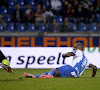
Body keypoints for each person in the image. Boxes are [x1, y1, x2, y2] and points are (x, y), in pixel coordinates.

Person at [23, 43, 97, 78]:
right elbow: (95, 67)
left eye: (75, 47)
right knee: (54, 75)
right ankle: (34, 76)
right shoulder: (86, 60)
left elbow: (70, 54)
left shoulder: (79, 51)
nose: (74, 48)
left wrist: (64, 55)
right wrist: (92, 77)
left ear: (78, 48)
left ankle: (49, 76)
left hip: (71, 69)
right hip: (75, 75)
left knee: (55, 70)